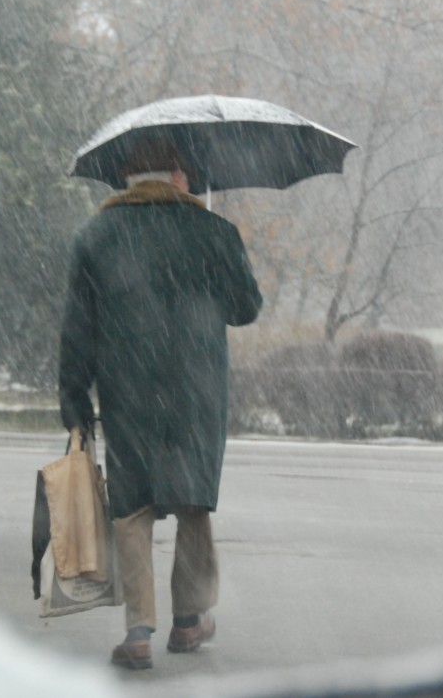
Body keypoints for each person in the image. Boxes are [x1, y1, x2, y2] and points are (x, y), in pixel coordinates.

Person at [58, 136, 262, 670]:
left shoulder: (96, 235)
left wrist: (74, 399)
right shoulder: (214, 232)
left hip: (128, 389)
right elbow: (246, 309)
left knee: (132, 506)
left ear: (127, 175)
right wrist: (212, 258)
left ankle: (138, 632)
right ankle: (190, 621)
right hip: (197, 391)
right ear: (178, 174)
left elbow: (77, 331)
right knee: (193, 502)